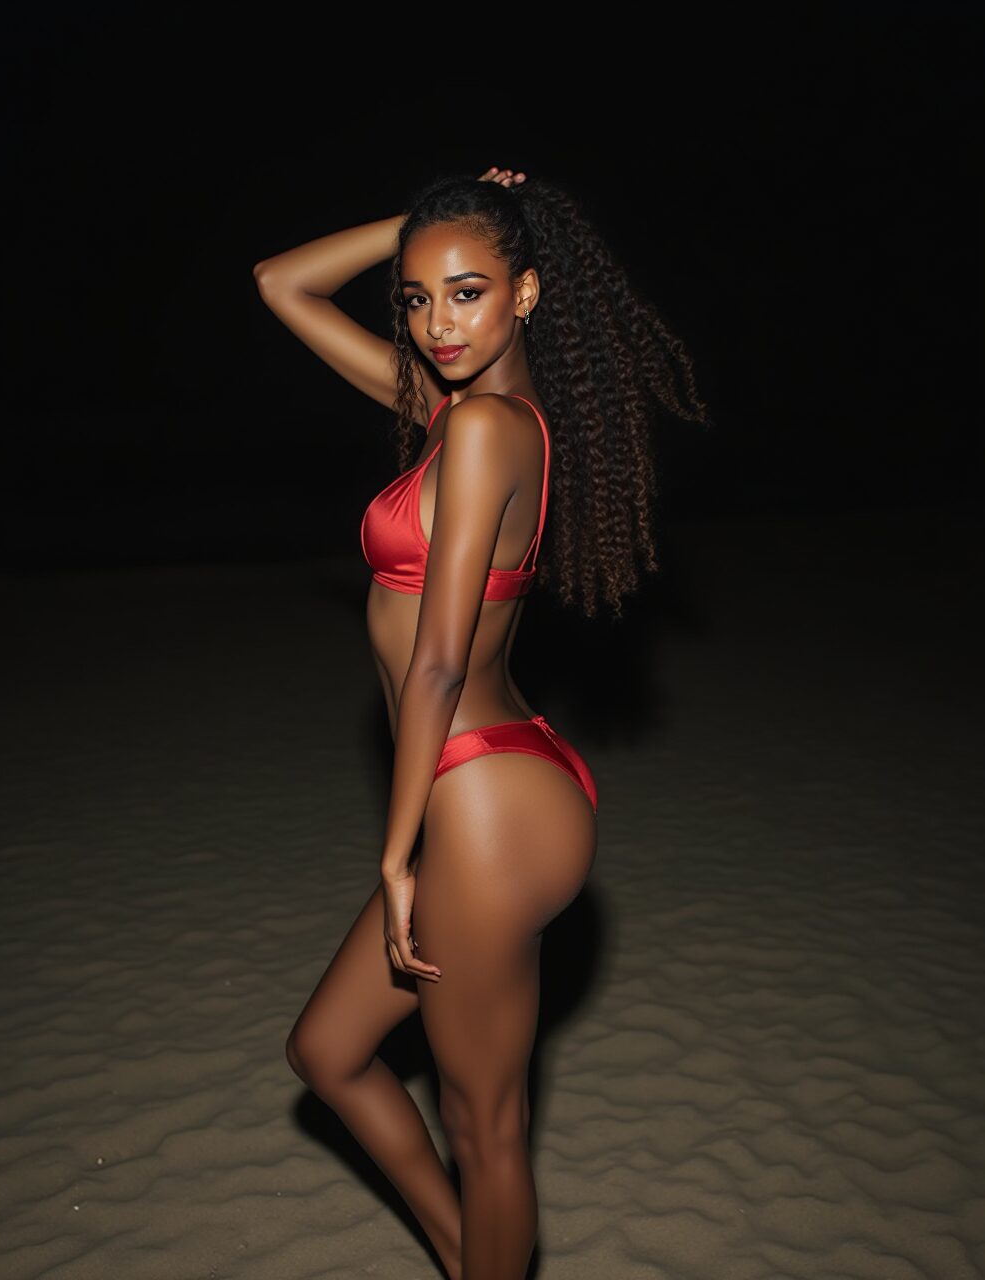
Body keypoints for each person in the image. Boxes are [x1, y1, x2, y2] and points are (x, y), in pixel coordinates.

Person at [253, 166, 710, 1280]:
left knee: (483, 1124)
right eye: (415, 298)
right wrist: (418, 221)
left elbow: (441, 661)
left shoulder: (490, 430)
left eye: (467, 291)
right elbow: (281, 283)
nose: (436, 322)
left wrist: (396, 851)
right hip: (487, 782)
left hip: (479, 798)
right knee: (328, 1051)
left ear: (527, 294)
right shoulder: (454, 412)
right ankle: (474, 1260)